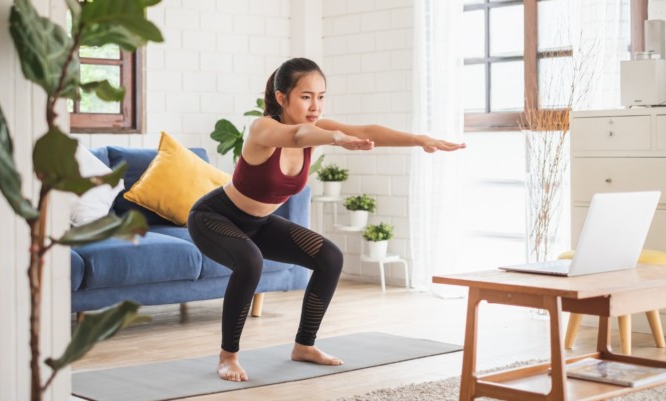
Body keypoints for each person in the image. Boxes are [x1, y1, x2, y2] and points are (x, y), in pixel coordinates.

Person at [187, 57, 466, 382]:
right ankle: (228, 356)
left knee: (329, 257)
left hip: (259, 223)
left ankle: (304, 345)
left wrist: (420, 140)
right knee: (250, 261)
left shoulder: (318, 128)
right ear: (282, 97)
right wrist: (335, 137)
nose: (315, 105)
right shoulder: (262, 127)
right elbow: (296, 136)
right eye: (306, 96)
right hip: (214, 217)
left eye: (321, 96)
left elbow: (366, 130)